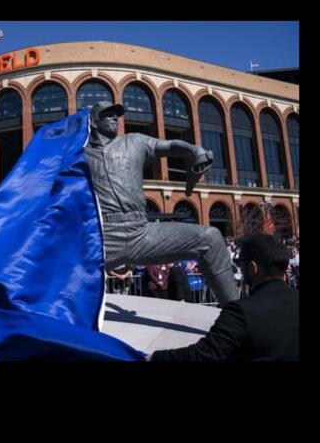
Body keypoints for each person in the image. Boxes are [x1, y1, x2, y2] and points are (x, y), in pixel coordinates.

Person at [84, 101, 237, 306]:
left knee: (210, 238)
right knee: (56, 269)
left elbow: (168, 146)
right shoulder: (79, 155)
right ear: (94, 122)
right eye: (107, 114)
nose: (114, 118)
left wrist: (193, 149)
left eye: (116, 115)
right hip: (103, 236)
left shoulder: (134, 142)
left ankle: (236, 314)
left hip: (140, 232)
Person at [147, 233, 299, 361]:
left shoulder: (241, 311)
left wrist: (157, 357)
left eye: (241, 264)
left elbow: (203, 355)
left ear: (252, 268)